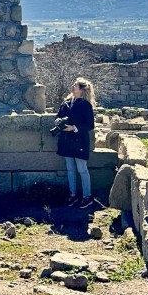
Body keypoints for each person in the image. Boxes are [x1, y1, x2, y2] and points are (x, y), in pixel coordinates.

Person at [54, 77, 96, 208]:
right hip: (66, 140)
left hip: (79, 142)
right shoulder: (66, 103)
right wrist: (58, 121)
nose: (73, 87)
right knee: (70, 169)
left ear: (82, 90)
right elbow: (58, 116)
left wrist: (74, 128)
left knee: (82, 169)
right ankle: (73, 195)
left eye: (76, 86)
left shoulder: (85, 105)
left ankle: (87, 196)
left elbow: (90, 124)